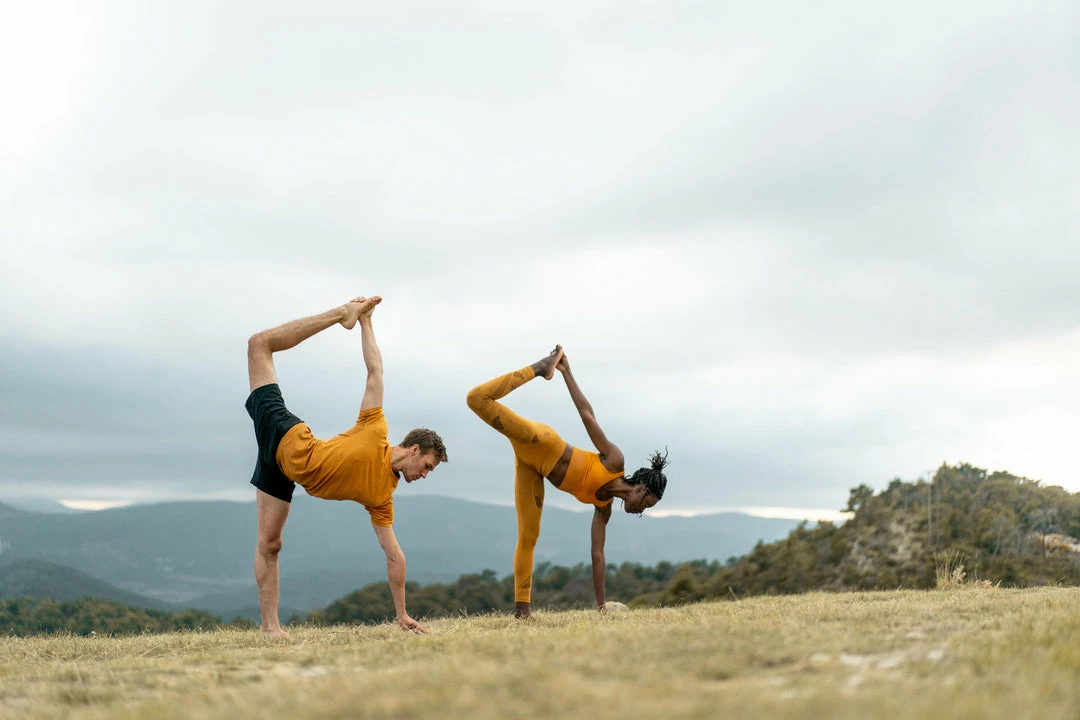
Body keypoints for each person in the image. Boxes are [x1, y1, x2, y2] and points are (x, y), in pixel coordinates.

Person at [245, 295, 447, 636]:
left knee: (270, 544)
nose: (424, 475)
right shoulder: (375, 429)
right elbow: (375, 371)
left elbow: (394, 555)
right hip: (285, 437)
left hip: (280, 470)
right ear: (414, 450)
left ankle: (270, 629)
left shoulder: (382, 497)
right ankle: (340, 313)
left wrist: (402, 614)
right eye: (427, 466)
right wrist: (362, 322)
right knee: (259, 344)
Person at [466, 346, 668, 619]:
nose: (641, 511)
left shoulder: (603, 507)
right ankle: (540, 367)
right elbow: (587, 415)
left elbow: (598, 556)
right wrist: (566, 373)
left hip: (531, 466)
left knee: (528, 536)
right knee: (476, 398)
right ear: (641, 489)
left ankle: (521, 614)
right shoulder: (614, 462)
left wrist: (601, 607)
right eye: (646, 504)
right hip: (543, 441)